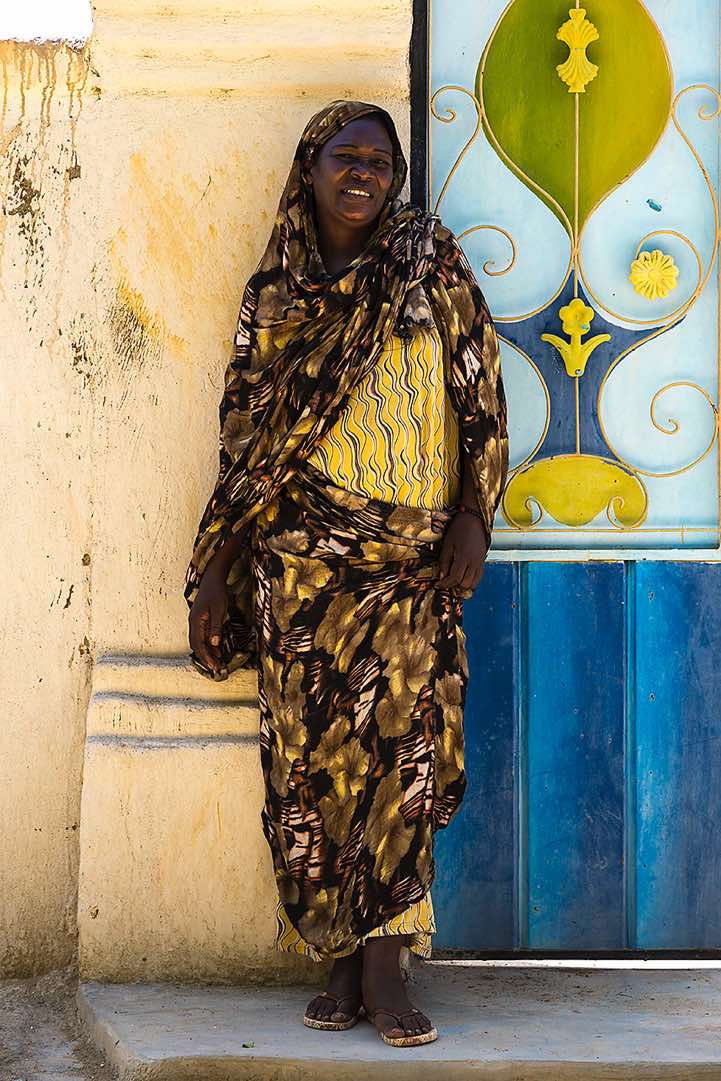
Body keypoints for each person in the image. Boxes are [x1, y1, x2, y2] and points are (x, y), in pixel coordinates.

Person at [185, 99, 508, 1048]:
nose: (362, 173)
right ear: (311, 167)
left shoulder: (427, 264)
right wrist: (217, 571)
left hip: (411, 559)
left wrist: (474, 517)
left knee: (403, 758)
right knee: (309, 761)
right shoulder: (274, 297)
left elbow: (478, 388)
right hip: (298, 562)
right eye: (344, 156)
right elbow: (243, 447)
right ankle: (332, 949)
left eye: (379, 160)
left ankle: (385, 962)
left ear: (395, 179)